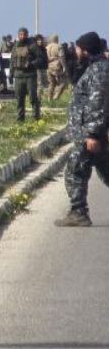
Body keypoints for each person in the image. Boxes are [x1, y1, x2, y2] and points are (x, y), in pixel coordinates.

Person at [56, 32, 109, 226]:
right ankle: (78, 211)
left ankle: (78, 212)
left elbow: (98, 103)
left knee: (75, 171)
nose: (75, 51)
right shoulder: (95, 68)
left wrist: (93, 134)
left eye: (78, 48)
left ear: (85, 50)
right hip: (91, 132)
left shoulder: (99, 71)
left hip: (91, 134)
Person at [10, 27, 44, 121]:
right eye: (20, 34)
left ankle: (36, 118)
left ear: (27, 35)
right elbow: (12, 60)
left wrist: (32, 63)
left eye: (24, 34)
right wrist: (11, 73)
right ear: (18, 35)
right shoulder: (15, 46)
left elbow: (40, 58)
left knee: (33, 97)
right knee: (19, 98)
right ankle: (20, 119)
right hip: (18, 76)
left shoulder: (32, 45)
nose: (22, 36)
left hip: (30, 75)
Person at [45, 34, 69, 100]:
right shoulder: (58, 46)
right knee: (63, 82)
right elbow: (61, 57)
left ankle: (49, 98)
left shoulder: (47, 47)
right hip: (57, 66)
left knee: (51, 83)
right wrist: (64, 66)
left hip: (48, 66)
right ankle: (56, 96)